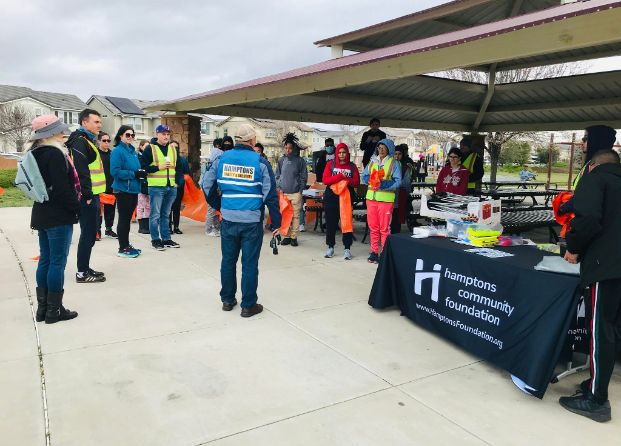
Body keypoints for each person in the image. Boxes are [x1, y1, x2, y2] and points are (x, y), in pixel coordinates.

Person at [560, 149, 621, 423]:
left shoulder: (595, 179)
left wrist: (573, 248)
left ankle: (597, 400)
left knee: (600, 331)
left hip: (604, 267)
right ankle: (596, 382)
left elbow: (586, 219)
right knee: (612, 327)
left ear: (593, 165)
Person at [202, 124, 282, 317]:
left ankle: (227, 301)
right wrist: (277, 222)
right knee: (249, 263)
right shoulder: (260, 162)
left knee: (228, 261)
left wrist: (220, 205)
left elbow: (206, 184)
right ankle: (248, 306)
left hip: (228, 219)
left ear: (236, 140)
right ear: (253, 140)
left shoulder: (221, 158)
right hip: (252, 221)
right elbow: (270, 194)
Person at [28, 115, 80, 323]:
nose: (63, 133)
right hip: (58, 215)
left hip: (41, 212)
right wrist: (77, 208)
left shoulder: (34, 153)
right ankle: (54, 311)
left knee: (46, 260)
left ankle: (43, 310)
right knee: (57, 262)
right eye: (59, 130)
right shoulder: (55, 154)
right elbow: (62, 189)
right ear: (49, 133)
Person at [66, 108, 106, 283]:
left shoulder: (87, 140)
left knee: (91, 233)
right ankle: (82, 273)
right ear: (84, 122)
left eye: (100, 121)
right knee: (88, 233)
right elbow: (81, 170)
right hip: (87, 197)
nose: (100, 124)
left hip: (93, 195)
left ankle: (85, 267)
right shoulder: (80, 142)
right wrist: (88, 195)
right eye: (96, 122)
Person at [140, 124, 182, 250]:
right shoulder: (150, 149)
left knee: (166, 214)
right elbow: (143, 167)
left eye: (168, 134)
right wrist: (159, 167)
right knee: (155, 215)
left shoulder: (173, 149)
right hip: (156, 187)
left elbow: (179, 167)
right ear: (157, 134)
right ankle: (155, 240)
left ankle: (166, 238)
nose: (166, 136)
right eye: (163, 134)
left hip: (171, 186)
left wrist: (177, 182)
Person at [559, 125, 617, 215]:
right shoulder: (591, 162)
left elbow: (589, 195)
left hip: (592, 222)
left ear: (597, 141)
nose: (582, 142)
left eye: (585, 139)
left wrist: (564, 208)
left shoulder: (600, 166)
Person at [362, 138, 401, 264]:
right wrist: (372, 180)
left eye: (384, 148)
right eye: (379, 148)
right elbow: (364, 176)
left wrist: (382, 184)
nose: (381, 150)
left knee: (384, 229)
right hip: (371, 199)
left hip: (385, 200)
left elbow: (398, 181)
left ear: (389, 149)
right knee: (373, 228)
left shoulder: (394, 163)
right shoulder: (372, 161)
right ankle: (374, 252)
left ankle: (384, 254)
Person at [110, 125, 145, 258]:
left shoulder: (133, 151)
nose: (130, 137)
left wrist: (141, 173)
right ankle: (122, 248)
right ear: (121, 136)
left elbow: (136, 168)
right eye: (127, 135)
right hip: (123, 189)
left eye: (132, 135)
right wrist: (134, 174)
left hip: (133, 189)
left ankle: (126, 244)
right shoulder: (117, 151)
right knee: (124, 220)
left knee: (128, 219)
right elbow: (115, 171)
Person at [322, 143, 360, 260]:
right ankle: (330, 247)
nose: (341, 155)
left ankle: (347, 248)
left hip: (346, 198)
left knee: (346, 222)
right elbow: (325, 180)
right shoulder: (330, 164)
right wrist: (339, 176)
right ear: (336, 153)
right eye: (339, 152)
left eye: (343, 152)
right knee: (331, 223)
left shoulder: (352, 166)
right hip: (331, 197)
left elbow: (356, 182)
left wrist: (346, 178)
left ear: (347, 153)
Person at [275, 133, 307, 246]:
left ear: (293, 149)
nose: (288, 150)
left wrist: (300, 190)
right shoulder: (281, 160)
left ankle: (294, 237)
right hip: (283, 193)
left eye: (290, 148)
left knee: (296, 216)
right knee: (285, 215)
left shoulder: (300, 161)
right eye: (286, 148)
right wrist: (279, 187)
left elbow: (304, 177)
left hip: (295, 193)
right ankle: (287, 236)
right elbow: (277, 175)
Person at [97, 131, 117, 239]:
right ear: (98, 141)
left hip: (111, 186)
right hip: (99, 187)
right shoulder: (95, 154)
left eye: (108, 141)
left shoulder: (112, 154)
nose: (106, 143)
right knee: (98, 211)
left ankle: (109, 229)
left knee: (110, 210)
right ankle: (97, 230)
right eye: (104, 140)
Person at [391, 144, 414, 234]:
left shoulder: (405, 167)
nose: (397, 156)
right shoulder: (389, 165)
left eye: (399, 154)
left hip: (400, 194)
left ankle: (395, 235)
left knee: (397, 218)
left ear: (403, 155)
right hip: (389, 194)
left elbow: (406, 183)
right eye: (395, 154)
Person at [169, 140, 190, 235]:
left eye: (176, 147)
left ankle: (176, 227)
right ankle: (168, 227)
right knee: (168, 208)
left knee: (177, 208)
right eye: (172, 147)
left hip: (179, 187)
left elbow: (187, 173)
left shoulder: (182, 160)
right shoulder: (166, 159)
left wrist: (181, 182)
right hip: (168, 186)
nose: (174, 149)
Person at [205, 138, 223, 236]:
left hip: (209, 185)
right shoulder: (219, 154)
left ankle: (216, 228)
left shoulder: (212, 154)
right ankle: (208, 230)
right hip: (212, 186)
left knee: (214, 207)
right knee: (212, 208)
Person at [136, 140, 151, 234]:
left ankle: (147, 226)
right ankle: (141, 226)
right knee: (141, 205)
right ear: (141, 147)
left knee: (148, 205)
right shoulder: (138, 157)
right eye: (145, 146)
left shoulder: (149, 157)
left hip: (149, 183)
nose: (147, 148)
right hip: (140, 183)